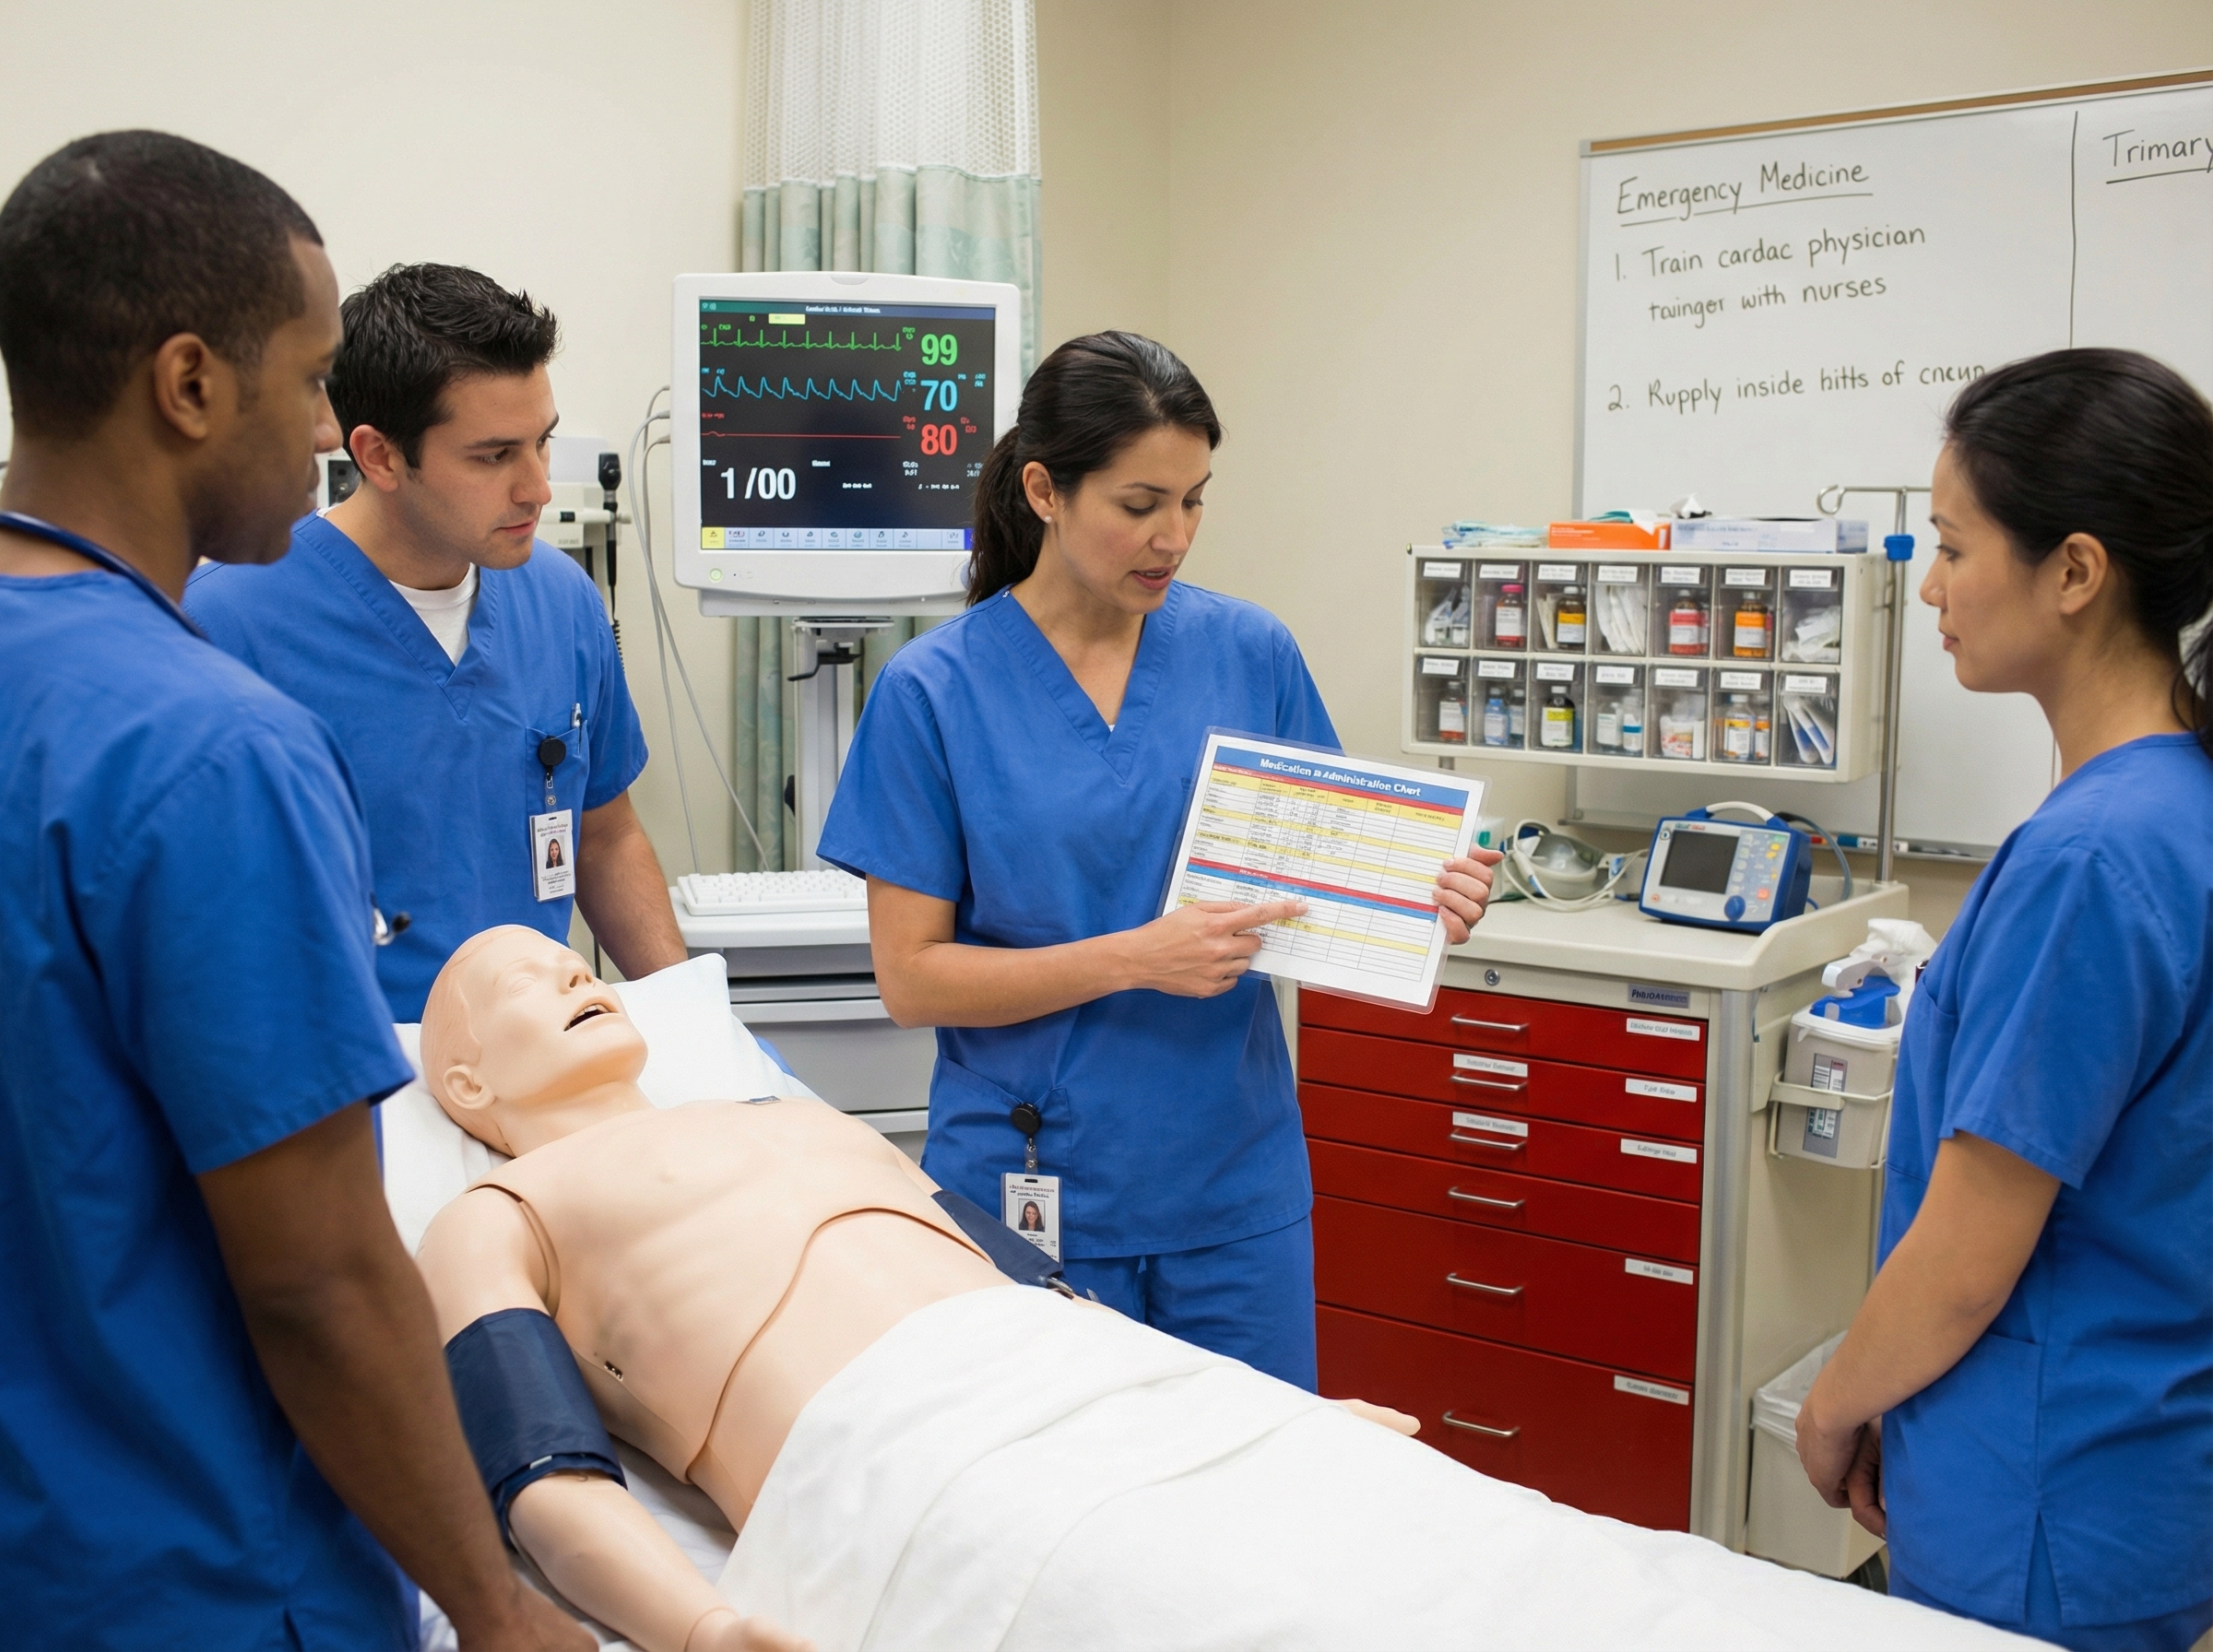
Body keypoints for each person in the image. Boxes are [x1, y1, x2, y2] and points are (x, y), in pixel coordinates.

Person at [408, 926, 2019, 1652]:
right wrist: (693, 1627)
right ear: (463, 1081)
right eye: (524, 982)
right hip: (905, 1451)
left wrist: (1271, 1407)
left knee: (1498, 1554)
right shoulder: (497, 1205)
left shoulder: (786, 1110)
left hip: (1098, 1385)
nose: (575, 971)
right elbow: (537, 1476)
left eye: (580, 962)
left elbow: (1035, 1282)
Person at [0, 133, 586, 1650]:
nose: (335, 425)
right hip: (192, 1570)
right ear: (190, 385)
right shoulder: (208, 749)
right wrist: (495, 1602)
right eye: (315, 378)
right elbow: (321, 1280)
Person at [817, 333, 1499, 1389]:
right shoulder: (933, 692)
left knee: (1250, 1512)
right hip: (1033, 1188)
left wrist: (1429, 893)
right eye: (1139, 504)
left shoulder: (1249, 652)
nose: (1172, 536)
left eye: (1193, 501)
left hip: (1231, 1189)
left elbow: (1319, 884)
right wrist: (1135, 958)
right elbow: (913, 979)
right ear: (1044, 489)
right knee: (1054, 1522)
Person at [1796, 348, 2213, 1651]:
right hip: (2142, 1470)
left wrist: (1833, 1410)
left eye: (1955, 545)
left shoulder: (2096, 856)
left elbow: (1972, 1258)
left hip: (2044, 1496)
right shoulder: (2181, 805)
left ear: (2076, 571)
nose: (1931, 587)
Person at [185, 263, 685, 1021]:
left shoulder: (561, 602)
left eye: (541, 443)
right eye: (493, 456)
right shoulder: (227, 626)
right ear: (380, 456)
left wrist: (687, 1022)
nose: (538, 488)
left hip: (540, 1060)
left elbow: (605, 839)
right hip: (348, 1081)